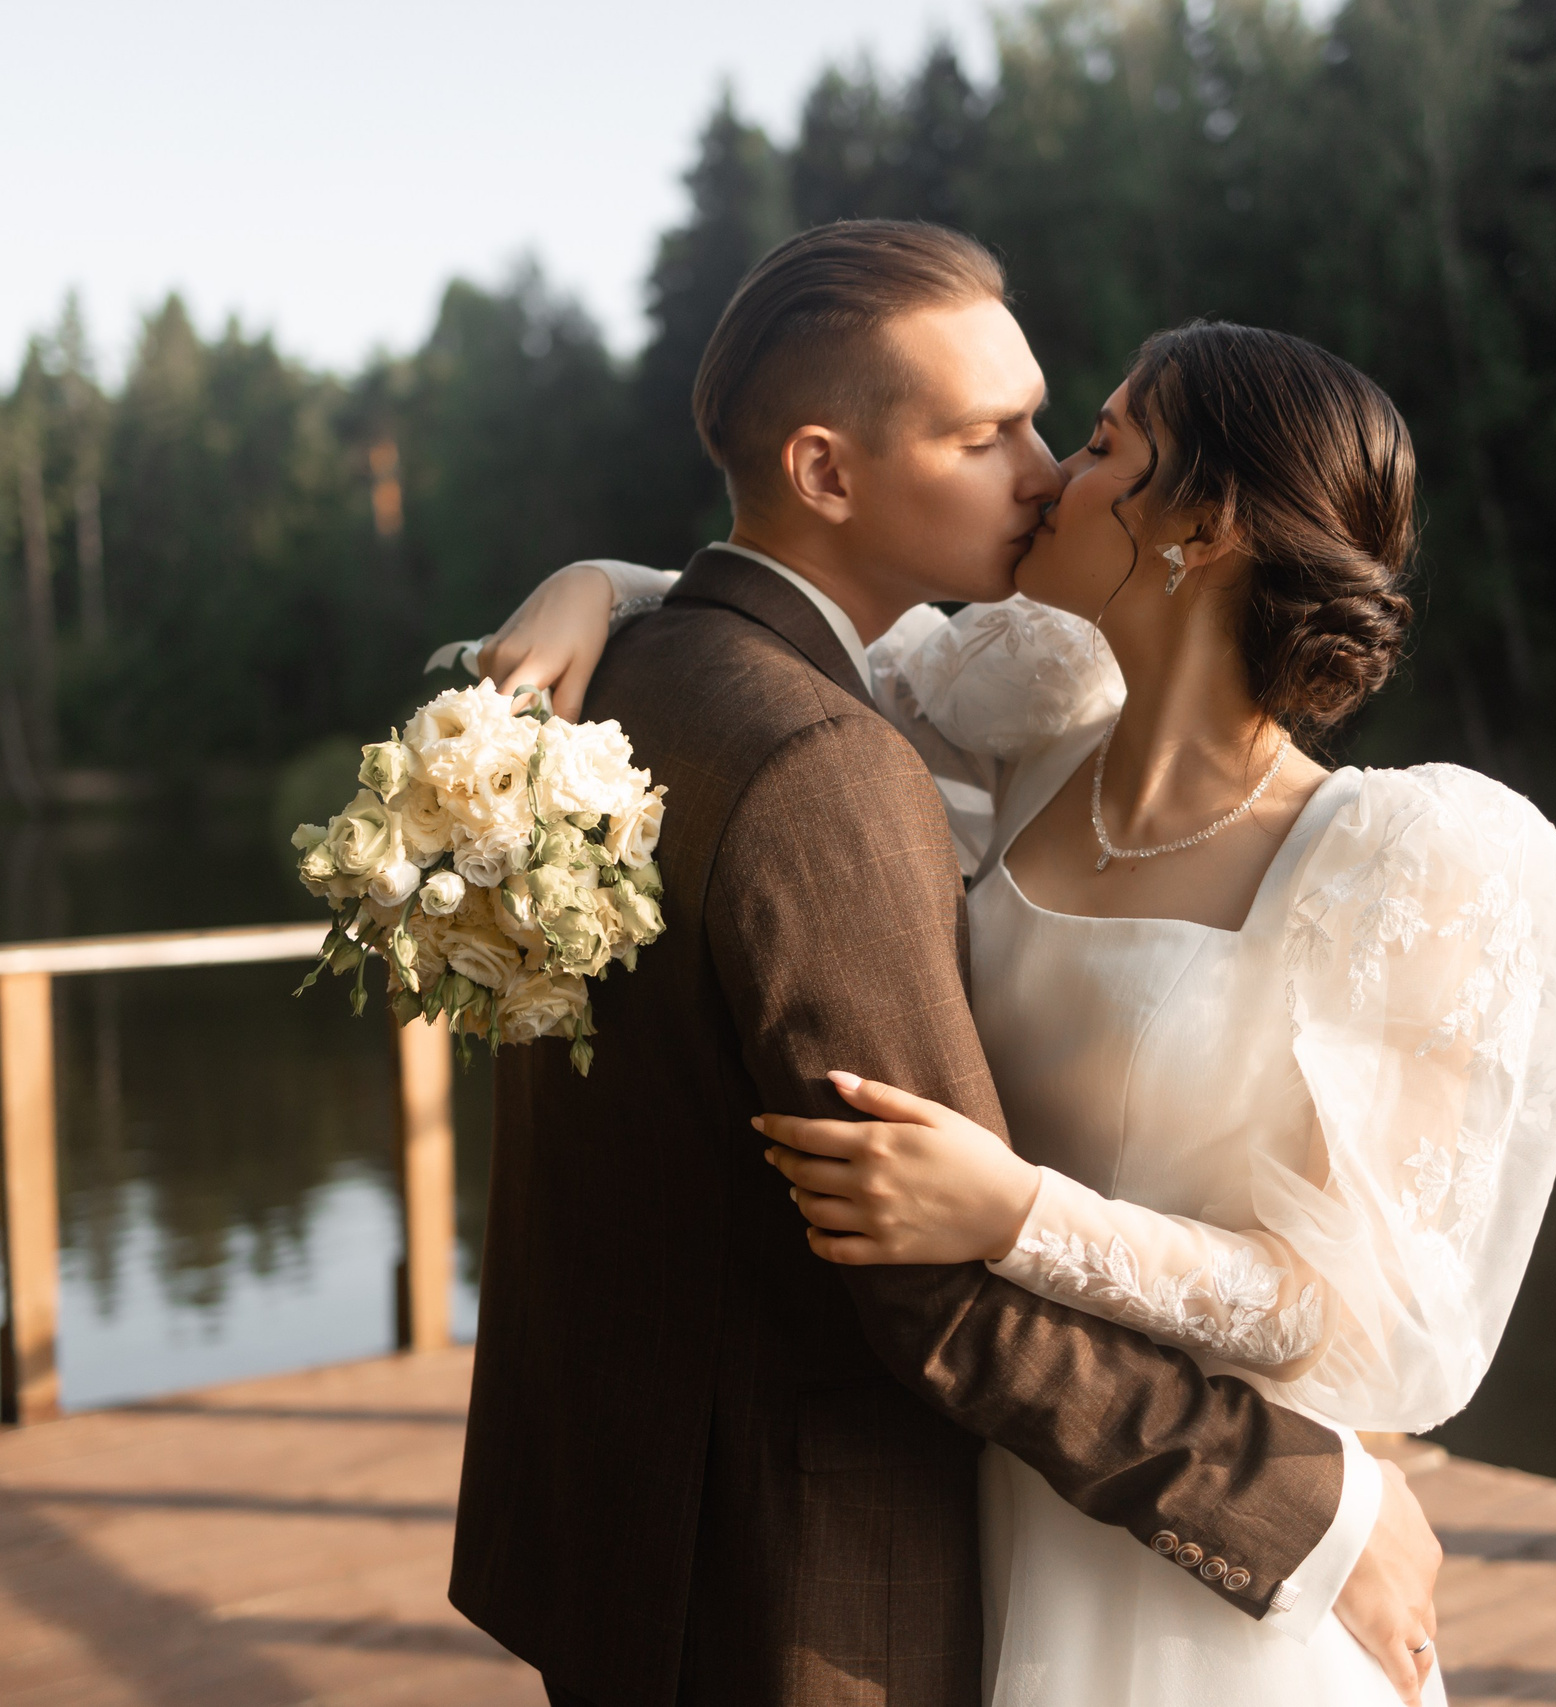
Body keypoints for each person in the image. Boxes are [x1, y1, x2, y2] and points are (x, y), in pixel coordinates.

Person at [450, 221, 1483, 1707]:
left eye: (1066, 430)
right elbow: (929, 1278)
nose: (1047, 468)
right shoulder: (826, 760)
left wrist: (608, 585)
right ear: (825, 470)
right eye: (992, 431)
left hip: (648, 1526)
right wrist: (1317, 1514)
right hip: (797, 1570)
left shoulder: (645, 686)